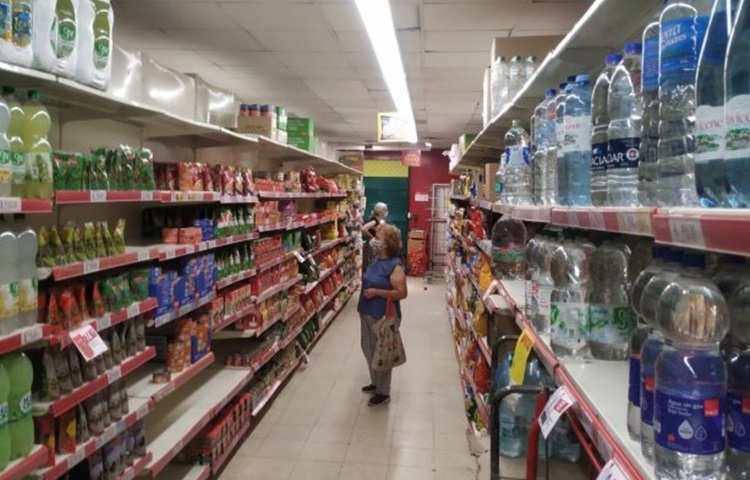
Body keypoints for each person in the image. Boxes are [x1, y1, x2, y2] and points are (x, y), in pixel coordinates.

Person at [358, 224, 408, 407]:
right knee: (368, 348)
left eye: (379, 234)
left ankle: (383, 392)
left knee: (383, 354)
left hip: (383, 316)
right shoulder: (376, 258)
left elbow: (402, 293)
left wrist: (377, 292)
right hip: (366, 311)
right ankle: (375, 382)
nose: (375, 237)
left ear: (388, 243)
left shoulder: (395, 266)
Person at [362, 202, 388, 269]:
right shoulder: (375, 221)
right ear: (379, 212)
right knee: (371, 262)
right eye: (384, 209)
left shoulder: (379, 220)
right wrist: (372, 237)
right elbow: (364, 229)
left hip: (375, 245)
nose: (386, 211)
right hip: (372, 245)